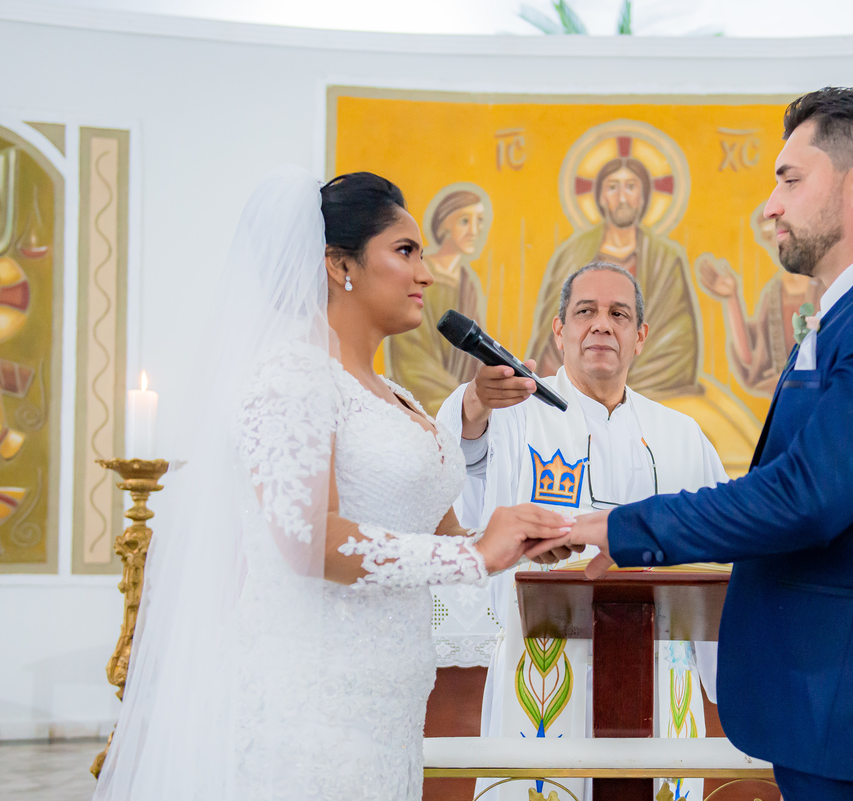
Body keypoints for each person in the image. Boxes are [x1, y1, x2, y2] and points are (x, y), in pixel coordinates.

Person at [563, 87, 853, 800]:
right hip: (839, 710)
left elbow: (807, 494)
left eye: (790, 179)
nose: (771, 205)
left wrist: (627, 526)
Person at [93, 167, 570, 801]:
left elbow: (433, 534)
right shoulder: (292, 376)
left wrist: (518, 540)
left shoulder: (392, 394)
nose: (426, 273)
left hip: (388, 707)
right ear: (339, 264)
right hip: (306, 706)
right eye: (405, 251)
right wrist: (475, 555)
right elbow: (307, 539)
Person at [437, 261, 727, 801]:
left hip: (659, 668)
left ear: (640, 336)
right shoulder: (518, 412)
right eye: (585, 311)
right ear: (560, 330)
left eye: (619, 314)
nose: (601, 325)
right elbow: (461, 467)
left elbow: (722, 547)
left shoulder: (681, 435)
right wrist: (476, 403)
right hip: (543, 664)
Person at [524, 157, 702, 400]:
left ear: (643, 197)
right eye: (612, 187)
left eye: (631, 187)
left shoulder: (665, 258)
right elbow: (550, 343)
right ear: (600, 197)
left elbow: (676, 336)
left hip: (652, 381)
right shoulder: (573, 253)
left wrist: (620, 375)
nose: (622, 197)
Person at [695, 201, 824, 396]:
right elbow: (751, 359)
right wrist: (731, 298)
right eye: (768, 237)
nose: (775, 244)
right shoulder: (774, 295)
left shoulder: (824, 285)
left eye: (778, 234)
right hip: (789, 397)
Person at [386, 185, 491, 415]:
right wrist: (460, 405)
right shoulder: (418, 277)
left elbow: (472, 354)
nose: (474, 231)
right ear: (444, 224)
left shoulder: (468, 283)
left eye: (480, 221)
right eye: (465, 221)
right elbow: (413, 357)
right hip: (424, 402)